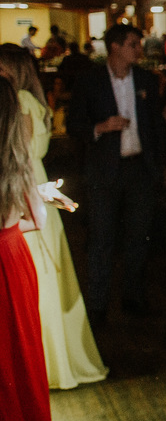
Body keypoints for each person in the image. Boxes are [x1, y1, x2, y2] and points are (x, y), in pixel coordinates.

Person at [0, 47, 106, 390]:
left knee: (37, 284)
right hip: (36, 187)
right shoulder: (35, 101)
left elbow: (19, 156)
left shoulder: (17, 103)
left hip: (23, 191)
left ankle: (41, 367)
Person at [0, 76, 74, 421]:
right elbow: (33, 221)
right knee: (19, 375)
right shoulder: (15, 156)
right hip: (9, 262)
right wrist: (37, 197)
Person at [66, 23, 166, 322]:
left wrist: (157, 165)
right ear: (115, 47)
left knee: (138, 236)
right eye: (133, 44)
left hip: (139, 168)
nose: (139, 49)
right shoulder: (90, 81)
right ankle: (97, 305)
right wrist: (101, 127)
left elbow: (156, 126)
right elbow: (74, 126)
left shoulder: (146, 79)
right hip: (104, 170)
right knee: (102, 238)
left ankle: (133, 298)